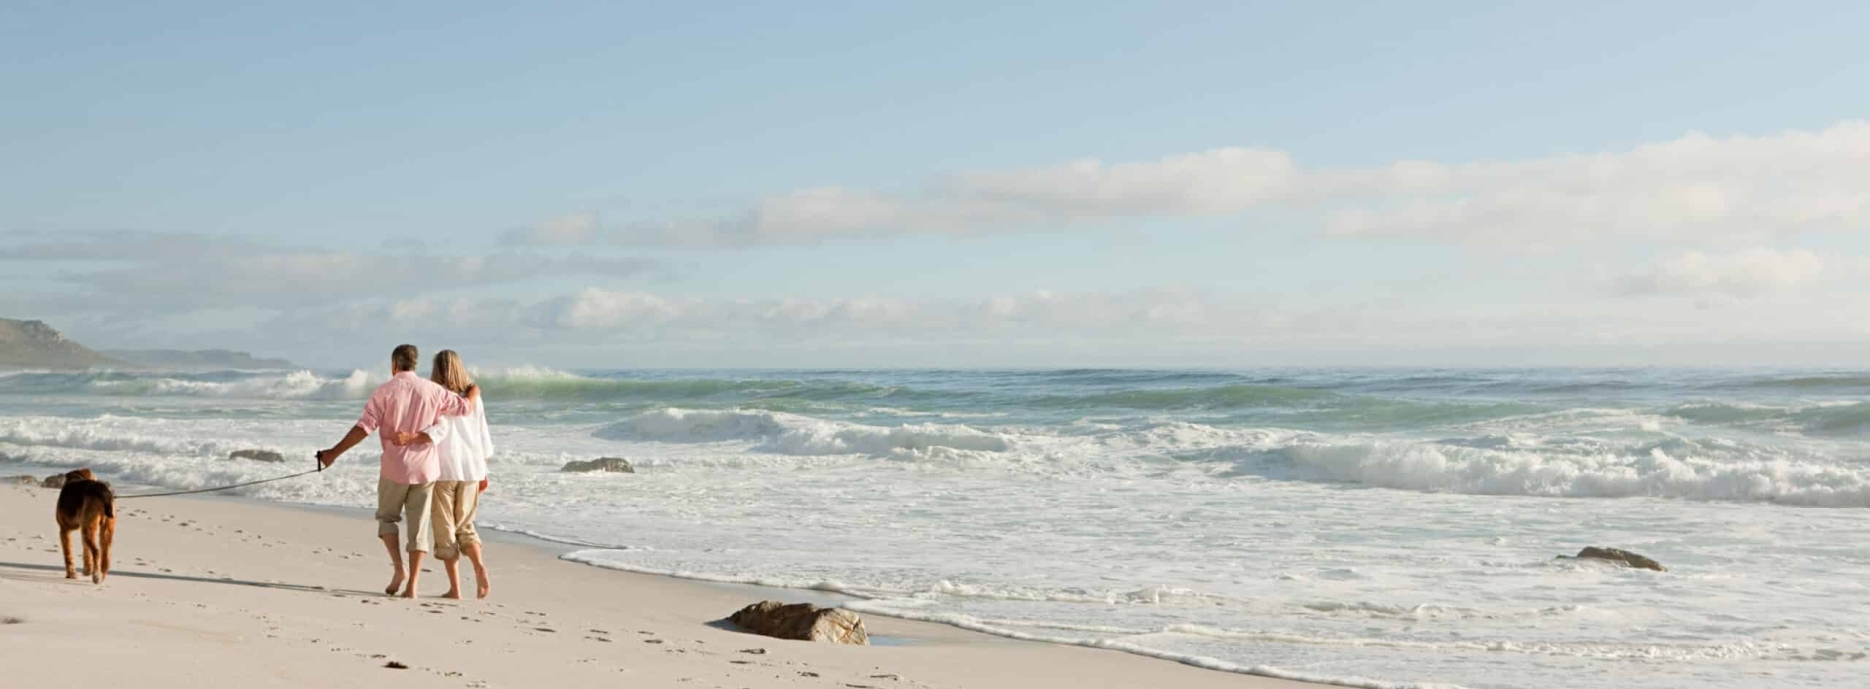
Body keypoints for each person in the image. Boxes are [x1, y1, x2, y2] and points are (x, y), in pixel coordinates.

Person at [315, 344, 479, 598]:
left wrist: (333, 453)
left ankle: (399, 569)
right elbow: (465, 408)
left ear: (394, 364)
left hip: (394, 469)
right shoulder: (434, 390)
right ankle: (412, 586)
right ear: (415, 364)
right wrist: (474, 391)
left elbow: (364, 427)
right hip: (426, 470)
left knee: (387, 519)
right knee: (418, 528)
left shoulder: (385, 391)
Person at [389, 349, 494, 600]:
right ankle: (479, 567)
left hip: (444, 469)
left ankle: (455, 589)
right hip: (471, 469)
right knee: (466, 525)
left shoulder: (436, 397)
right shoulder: (474, 399)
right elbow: (483, 438)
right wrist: (484, 470)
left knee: (445, 531)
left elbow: (435, 431)